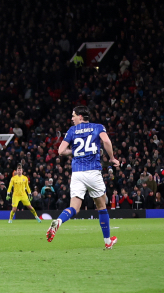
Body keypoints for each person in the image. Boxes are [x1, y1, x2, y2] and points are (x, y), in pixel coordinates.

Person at [47, 106, 121, 248]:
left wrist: (73, 151)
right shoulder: (98, 127)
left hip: (77, 173)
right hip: (93, 171)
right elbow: (106, 142)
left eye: (74, 116)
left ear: (81, 116)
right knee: (101, 206)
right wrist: (111, 158)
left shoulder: (72, 131)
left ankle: (59, 221)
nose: (72, 118)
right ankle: (107, 242)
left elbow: (61, 151)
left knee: (74, 207)